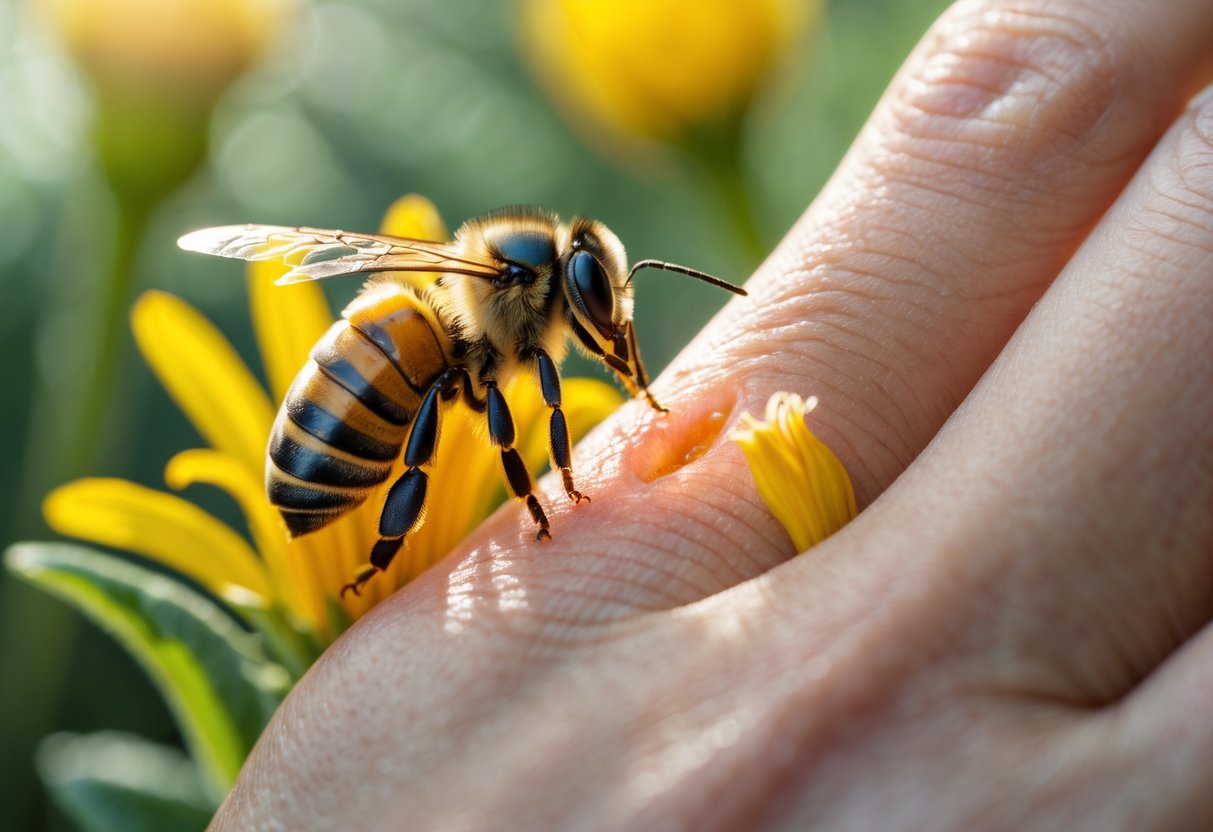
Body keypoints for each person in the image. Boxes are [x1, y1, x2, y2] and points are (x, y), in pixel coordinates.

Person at [210, 0, 1213, 828]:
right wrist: (553, 494)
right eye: (601, 305)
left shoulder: (495, 300)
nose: (608, 327)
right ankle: (382, 551)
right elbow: (515, 407)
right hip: (362, 419)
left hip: (358, 389)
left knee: (443, 396)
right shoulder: (501, 308)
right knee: (437, 407)